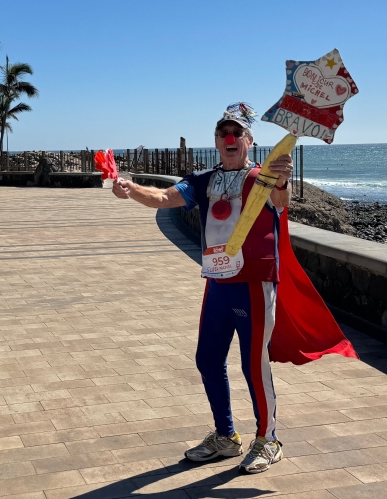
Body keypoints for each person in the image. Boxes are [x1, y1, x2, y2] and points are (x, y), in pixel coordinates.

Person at [113, 103, 357, 474]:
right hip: (218, 283)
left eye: (237, 132)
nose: (230, 137)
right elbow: (163, 198)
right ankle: (226, 437)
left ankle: (268, 439)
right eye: (223, 132)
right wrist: (130, 189)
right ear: (216, 141)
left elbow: (281, 203)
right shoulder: (204, 180)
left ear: (249, 140)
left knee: (253, 364)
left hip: (253, 284)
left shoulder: (263, 176)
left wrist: (282, 181)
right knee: (208, 360)